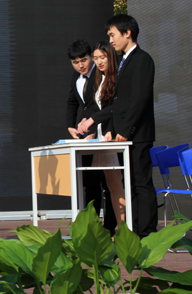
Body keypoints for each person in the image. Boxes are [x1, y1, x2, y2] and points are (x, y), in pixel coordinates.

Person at [78, 14, 157, 238]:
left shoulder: (142, 59)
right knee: (131, 184)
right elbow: (120, 103)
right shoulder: (124, 61)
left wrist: (126, 130)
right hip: (125, 135)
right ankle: (135, 230)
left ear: (127, 33)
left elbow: (139, 99)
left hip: (137, 134)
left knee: (141, 183)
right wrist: (114, 129)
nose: (111, 40)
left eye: (112, 35)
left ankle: (148, 232)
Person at [66, 40, 116, 232]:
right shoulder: (76, 77)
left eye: (84, 60)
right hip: (86, 134)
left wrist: (94, 125)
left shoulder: (102, 74)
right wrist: (71, 126)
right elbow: (72, 101)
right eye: (75, 62)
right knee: (89, 182)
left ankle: (110, 226)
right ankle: (92, 226)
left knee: (108, 182)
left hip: (104, 131)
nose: (81, 65)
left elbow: (106, 104)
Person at [91, 40, 125, 223]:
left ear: (110, 56)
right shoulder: (100, 78)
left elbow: (115, 109)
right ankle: (119, 226)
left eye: (102, 57)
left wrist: (110, 129)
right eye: (96, 58)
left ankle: (124, 227)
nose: (99, 61)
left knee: (117, 182)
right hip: (102, 135)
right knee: (111, 184)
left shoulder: (117, 77)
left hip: (112, 136)